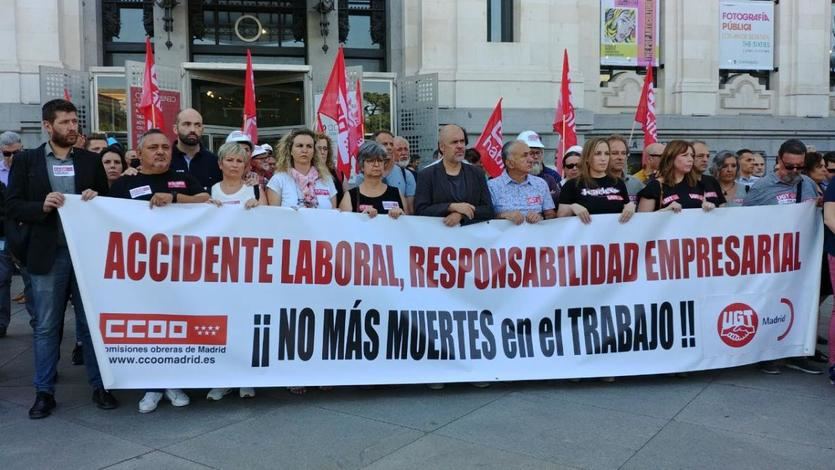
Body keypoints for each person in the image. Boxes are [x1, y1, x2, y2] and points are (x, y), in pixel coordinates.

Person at [6, 99, 118, 418]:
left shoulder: (88, 161)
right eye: (65, 122)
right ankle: (44, 392)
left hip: (86, 255)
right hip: (46, 255)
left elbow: (105, 203)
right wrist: (40, 206)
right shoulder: (27, 161)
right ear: (47, 126)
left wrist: (96, 198)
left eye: (74, 121)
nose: (72, 127)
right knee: (45, 326)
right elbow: (12, 206)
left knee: (90, 324)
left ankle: (100, 386)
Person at [109, 128, 210, 413]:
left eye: (165, 147)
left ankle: (172, 381)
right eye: (153, 147)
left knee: (176, 323)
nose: (161, 152)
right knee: (149, 325)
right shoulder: (124, 184)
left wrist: (176, 199)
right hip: (140, 270)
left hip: (180, 269)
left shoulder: (183, 178)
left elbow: (207, 201)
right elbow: (105, 215)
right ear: (139, 154)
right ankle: (152, 386)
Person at [743, 139, 821, 376]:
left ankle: (799, 352)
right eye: (790, 167)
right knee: (770, 306)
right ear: (778, 160)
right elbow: (744, 223)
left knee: (802, 304)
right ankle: (768, 355)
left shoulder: (807, 183)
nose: (795, 172)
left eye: (800, 167)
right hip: (772, 260)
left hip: (801, 258)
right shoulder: (761, 187)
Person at [414, 124, 493, 227]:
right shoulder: (427, 175)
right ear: (442, 147)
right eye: (454, 142)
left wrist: (461, 215)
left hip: (471, 239)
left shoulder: (477, 174)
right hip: (439, 239)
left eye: (462, 141)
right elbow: (420, 210)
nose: (460, 146)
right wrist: (451, 207)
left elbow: (488, 210)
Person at [557, 138, 634, 224]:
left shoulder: (618, 182)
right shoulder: (572, 185)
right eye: (598, 154)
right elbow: (560, 217)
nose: (603, 159)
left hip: (613, 235)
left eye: (607, 154)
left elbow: (627, 207)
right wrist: (572, 207)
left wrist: (630, 207)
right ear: (586, 158)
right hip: (584, 236)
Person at [636, 140, 716, 213]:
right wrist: (664, 211)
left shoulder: (698, 184)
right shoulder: (655, 186)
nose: (690, 159)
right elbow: (642, 221)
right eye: (685, 155)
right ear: (671, 158)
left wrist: (708, 208)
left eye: (692, 155)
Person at [348, 130, 417, 214]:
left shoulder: (405, 177)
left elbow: (411, 213)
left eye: (391, 144)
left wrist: (401, 216)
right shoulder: (356, 185)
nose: (389, 147)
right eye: (384, 144)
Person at [267, 128, 337, 209]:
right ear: (290, 151)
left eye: (309, 146)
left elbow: (333, 214)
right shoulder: (278, 180)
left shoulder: (326, 179)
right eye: (299, 146)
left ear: (314, 151)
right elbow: (274, 216)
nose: (304, 150)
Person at [488, 140, 556, 224]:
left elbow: (551, 215)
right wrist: (503, 215)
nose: (531, 159)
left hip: (536, 236)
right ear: (510, 163)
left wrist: (540, 217)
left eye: (530, 154)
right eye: (524, 156)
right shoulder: (492, 186)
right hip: (505, 236)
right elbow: (486, 218)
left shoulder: (541, 184)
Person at [339, 141, 405, 219]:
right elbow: (345, 227)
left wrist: (402, 216)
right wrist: (361, 218)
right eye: (371, 161)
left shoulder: (396, 193)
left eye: (380, 160)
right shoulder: (350, 196)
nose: (376, 164)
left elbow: (409, 225)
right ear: (362, 166)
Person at [0, 131, 23, 337]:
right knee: (2, 278)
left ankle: (40, 321)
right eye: (7, 153)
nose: (12, 158)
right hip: (4, 233)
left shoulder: (29, 169)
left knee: (33, 280)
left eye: (17, 152)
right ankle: (1, 324)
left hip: (27, 230)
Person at [169, 108, 221, 192]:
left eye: (197, 125)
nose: (193, 129)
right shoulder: (165, 159)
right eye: (187, 124)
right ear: (175, 129)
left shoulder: (214, 162)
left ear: (202, 130)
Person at [607, 134, 644, 202]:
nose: (620, 157)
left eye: (623, 153)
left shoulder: (636, 184)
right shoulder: (593, 184)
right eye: (615, 153)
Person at [692, 140, 726, 207]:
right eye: (700, 156)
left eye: (707, 156)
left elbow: (722, 206)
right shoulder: (680, 182)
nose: (705, 160)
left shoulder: (712, 180)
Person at [315, 132, 344, 205]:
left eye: (325, 149)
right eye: (319, 148)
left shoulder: (338, 173)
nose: (322, 152)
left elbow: (346, 198)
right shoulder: (305, 173)